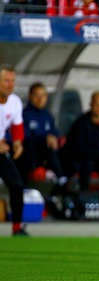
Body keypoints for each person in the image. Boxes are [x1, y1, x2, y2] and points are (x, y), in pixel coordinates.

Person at [17, 82, 67, 192]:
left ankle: (62, 178)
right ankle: (59, 176)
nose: (40, 99)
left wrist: (53, 138)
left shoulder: (47, 115)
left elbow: (54, 132)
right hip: (31, 152)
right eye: (36, 95)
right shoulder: (24, 114)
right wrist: (44, 138)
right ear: (30, 96)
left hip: (48, 152)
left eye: (43, 95)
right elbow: (24, 136)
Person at [0, 64, 28, 236]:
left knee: (17, 185)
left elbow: (17, 129)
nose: (9, 85)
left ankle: (17, 227)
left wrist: (18, 143)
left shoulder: (15, 102)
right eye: (5, 81)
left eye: (12, 81)